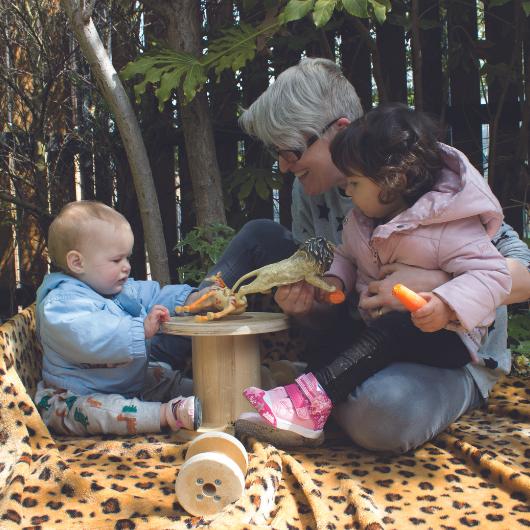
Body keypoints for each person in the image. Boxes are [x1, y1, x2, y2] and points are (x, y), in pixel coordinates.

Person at [208, 57, 530, 453]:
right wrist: (314, 302)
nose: (284, 166)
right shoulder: (322, 197)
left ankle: (308, 391)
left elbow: (517, 272)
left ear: (339, 132)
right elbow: (338, 286)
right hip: (367, 333)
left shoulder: (430, 185)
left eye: (291, 151)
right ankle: (307, 392)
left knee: (383, 413)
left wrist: (438, 287)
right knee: (260, 235)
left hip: (446, 350)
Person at [35, 200, 204, 436]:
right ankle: (166, 414)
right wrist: (139, 330)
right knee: (100, 412)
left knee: (161, 374)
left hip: (126, 384)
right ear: (77, 262)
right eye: (116, 260)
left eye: (127, 258)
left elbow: (154, 296)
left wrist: (192, 299)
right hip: (76, 394)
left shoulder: (116, 289)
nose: (126, 267)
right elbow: (91, 337)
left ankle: (212, 393)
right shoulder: (61, 304)